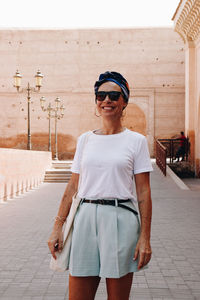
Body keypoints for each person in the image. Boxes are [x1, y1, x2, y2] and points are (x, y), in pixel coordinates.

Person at [48, 71, 153, 300]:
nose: (106, 100)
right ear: (96, 101)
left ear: (124, 101)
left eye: (114, 96)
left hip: (120, 218)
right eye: (101, 95)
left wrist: (145, 237)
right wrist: (58, 226)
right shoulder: (85, 139)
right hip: (84, 217)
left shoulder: (136, 142)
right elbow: (73, 186)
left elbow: (144, 192)